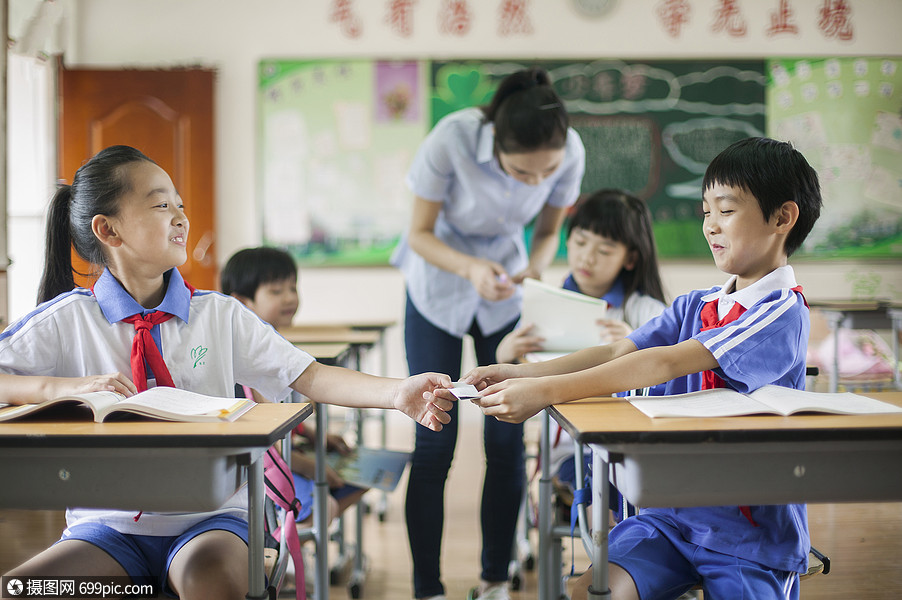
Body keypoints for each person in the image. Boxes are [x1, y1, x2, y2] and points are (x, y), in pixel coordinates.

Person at [1, 145, 453, 600]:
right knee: (20, 589)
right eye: (161, 204)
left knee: (211, 583)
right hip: (106, 526)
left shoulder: (219, 315)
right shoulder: (66, 320)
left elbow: (309, 375)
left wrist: (398, 392)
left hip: (210, 518)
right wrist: (57, 387)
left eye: (180, 204)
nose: (181, 216)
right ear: (108, 229)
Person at [460, 137, 823, 600]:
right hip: (670, 516)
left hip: (749, 535)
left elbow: (664, 361)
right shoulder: (698, 303)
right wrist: (521, 374)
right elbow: (617, 353)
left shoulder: (781, 312)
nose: (711, 226)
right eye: (706, 211)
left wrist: (547, 392)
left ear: (782, 218)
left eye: (726, 211)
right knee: (591, 592)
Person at [391, 66, 586, 600]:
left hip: (506, 290)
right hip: (438, 284)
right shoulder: (452, 139)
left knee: (506, 437)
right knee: (434, 440)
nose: (533, 183)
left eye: (543, 174)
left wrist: (534, 270)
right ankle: (427, 587)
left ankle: (495, 578)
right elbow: (419, 235)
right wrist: (470, 268)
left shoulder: (570, 150)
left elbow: (547, 231)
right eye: (521, 173)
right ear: (497, 143)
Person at [494, 189, 667, 524]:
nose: (588, 257)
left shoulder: (646, 312)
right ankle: (603, 568)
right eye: (580, 242)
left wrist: (634, 347)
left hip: (636, 448)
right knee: (600, 490)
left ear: (629, 258)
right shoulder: (545, 305)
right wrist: (506, 353)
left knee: (639, 491)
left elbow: (670, 382)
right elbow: (521, 395)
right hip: (570, 451)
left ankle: (619, 564)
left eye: (604, 250)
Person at [220, 245, 367, 527]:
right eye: (276, 291)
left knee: (361, 477)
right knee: (324, 505)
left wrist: (313, 435)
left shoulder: (278, 343)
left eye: (292, 288)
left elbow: (282, 413)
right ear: (241, 301)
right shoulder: (250, 356)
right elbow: (264, 441)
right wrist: (313, 467)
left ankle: (295, 550)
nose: (289, 298)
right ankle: (283, 552)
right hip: (258, 467)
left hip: (283, 455)